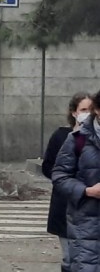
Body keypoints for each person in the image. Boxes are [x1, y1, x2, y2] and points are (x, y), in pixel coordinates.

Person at [47, 92, 94, 272]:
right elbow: (50, 168)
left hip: (90, 208)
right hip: (65, 205)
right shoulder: (63, 137)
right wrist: (70, 184)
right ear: (74, 112)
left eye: (91, 110)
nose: (87, 114)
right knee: (69, 258)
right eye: (83, 110)